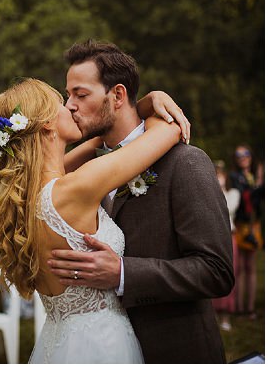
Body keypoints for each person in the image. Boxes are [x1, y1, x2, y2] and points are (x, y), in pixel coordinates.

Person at [47, 40, 234, 363]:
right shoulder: (86, 169)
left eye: (80, 94)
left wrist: (123, 273)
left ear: (118, 95)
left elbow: (216, 271)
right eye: (68, 95)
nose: (69, 106)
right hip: (103, 348)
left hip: (173, 349)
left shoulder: (185, 163)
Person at [0, 77, 188, 363]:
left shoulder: (26, 197)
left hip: (57, 342)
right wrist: (156, 98)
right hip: (101, 344)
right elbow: (168, 129)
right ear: (46, 124)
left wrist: (136, 104)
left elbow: (103, 138)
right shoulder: (74, 188)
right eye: (61, 102)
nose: (70, 107)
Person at [230, 143, 263, 320]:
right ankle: (239, 307)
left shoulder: (255, 177)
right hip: (240, 225)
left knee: (251, 267)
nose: (243, 157)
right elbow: (243, 197)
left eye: (246, 154)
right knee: (240, 268)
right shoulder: (235, 177)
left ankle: (249, 308)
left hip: (254, 224)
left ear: (251, 157)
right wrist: (258, 185)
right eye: (239, 155)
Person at [212, 160, 240, 330]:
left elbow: (228, 208)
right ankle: (213, 313)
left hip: (229, 236)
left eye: (221, 174)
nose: (218, 177)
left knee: (230, 273)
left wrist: (219, 189)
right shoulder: (208, 192)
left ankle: (226, 316)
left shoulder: (233, 193)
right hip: (213, 236)